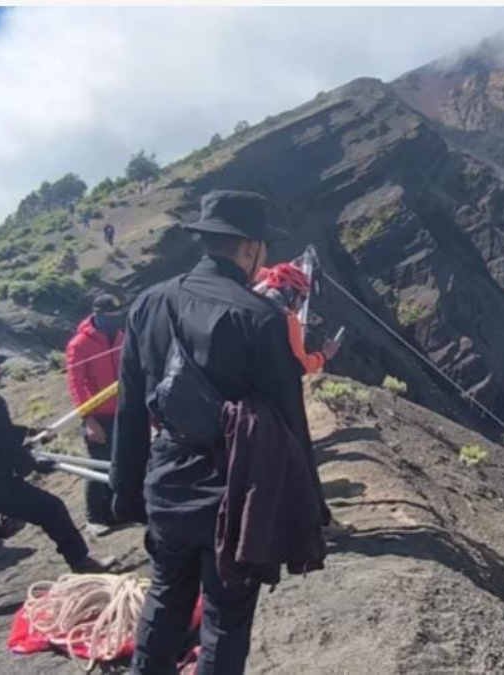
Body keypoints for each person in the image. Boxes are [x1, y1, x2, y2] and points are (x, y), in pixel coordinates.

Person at [112, 189, 324, 674]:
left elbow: (129, 405)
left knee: (164, 599)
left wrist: (125, 493)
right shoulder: (260, 317)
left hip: (166, 477)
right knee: (226, 619)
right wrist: (310, 504)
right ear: (250, 248)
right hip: (233, 487)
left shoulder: (148, 303)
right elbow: (290, 420)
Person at [0, 339, 111, 630]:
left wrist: (31, 433)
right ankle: (81, 562)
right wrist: (36, 465)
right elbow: (6, 449)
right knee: (51, 508)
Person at [66, 293, 126, 536]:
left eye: (117, 316)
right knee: (97, 465)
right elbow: (75, 383)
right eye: (110, 316)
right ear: (97, 315)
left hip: (122, 410)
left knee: (121, 461)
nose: (114, 320)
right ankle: (94, 518)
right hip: (98, 415)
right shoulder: (79, 344)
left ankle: (115, 512)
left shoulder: (121, 336)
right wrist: (88, 418)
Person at [253, 262, 340, 374]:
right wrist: (324, 355)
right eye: (302, 298)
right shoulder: (288, 320)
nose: (301, 305)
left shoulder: (246, 300)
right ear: (289, 292)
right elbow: (302, 365)